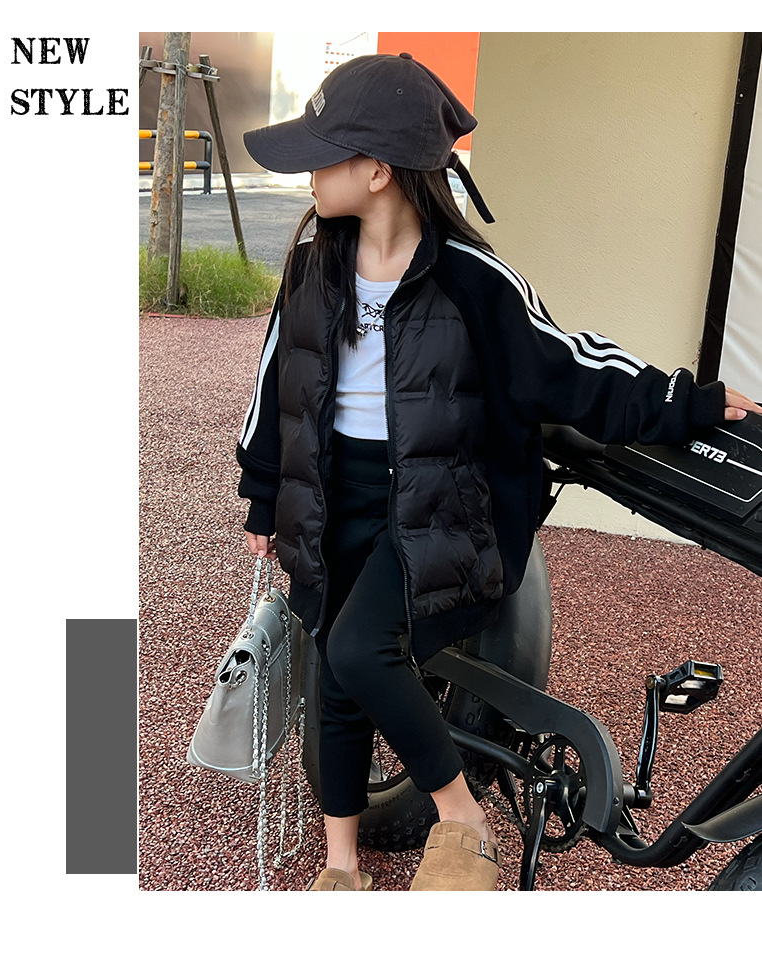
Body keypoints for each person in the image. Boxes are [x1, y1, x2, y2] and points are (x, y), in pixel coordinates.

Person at [236, 53, 761, 892]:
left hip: (434, 507)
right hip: (332, 495)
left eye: (323, 154)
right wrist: (263, 494)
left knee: (361, 650)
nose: (308, 171)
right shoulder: (312, 264)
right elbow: (278, 384)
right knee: (335, 671)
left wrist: (681, 401)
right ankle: (340, 869)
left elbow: (570, 365)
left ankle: (464, 818)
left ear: (378, 170)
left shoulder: (474, 280)